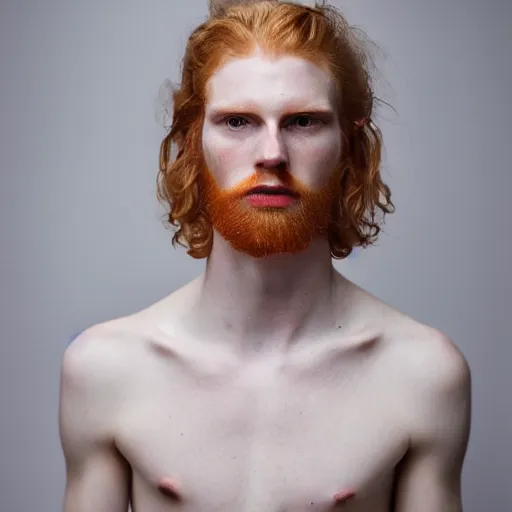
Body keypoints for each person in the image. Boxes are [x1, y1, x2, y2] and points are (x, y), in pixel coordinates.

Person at [58, 1, 472, 511]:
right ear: (192, 141)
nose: (271, 153)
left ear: (350, 144)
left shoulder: (422, 374)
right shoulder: (105, 370)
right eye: (237, 121)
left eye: (303, 121)